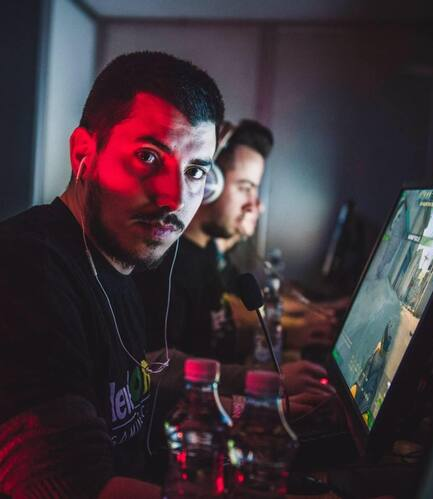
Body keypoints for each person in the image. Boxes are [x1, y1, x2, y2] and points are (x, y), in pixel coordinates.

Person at [0, 51, 224, 498]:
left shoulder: (115, 262)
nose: (174, 197)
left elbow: (129, 401)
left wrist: (254, 406)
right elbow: (72, 488)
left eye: (195, 170)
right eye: (148, 156)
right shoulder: (27, 270)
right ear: (83, 152)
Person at [135, 119, 335, 399]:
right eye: (245, 187)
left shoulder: (206, 253)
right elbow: (158, 372)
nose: (255, 204)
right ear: (209, 184)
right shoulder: (166, 266)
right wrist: (262, 387)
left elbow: (222, 330)